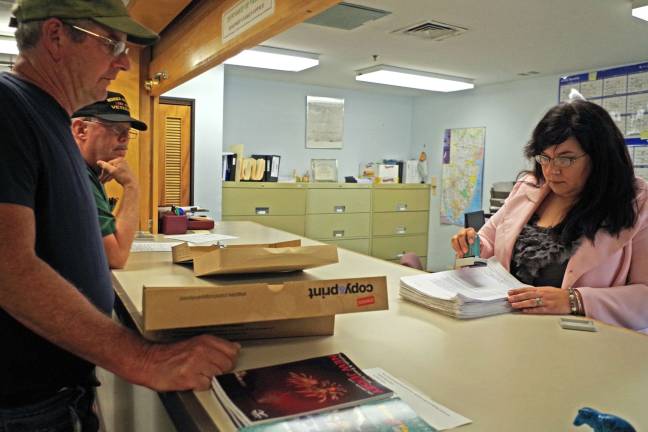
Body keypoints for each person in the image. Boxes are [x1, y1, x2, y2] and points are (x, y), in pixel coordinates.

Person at [0, 1, 239, 430]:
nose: (124, 61)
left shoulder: (48, 119)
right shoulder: (8, 105)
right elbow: (6, 266)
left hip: (58, 393)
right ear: (55, 37)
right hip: (21, 408)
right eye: (111, 43)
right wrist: (144, 359)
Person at [451, 99, 648, 332]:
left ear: (599, 157)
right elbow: (487, 242)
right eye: (544, 158)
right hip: (509, 331)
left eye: (566, 159)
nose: (552, 170)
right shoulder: (529, 187)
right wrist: (470, 246)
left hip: (586, 344)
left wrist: (574, 300)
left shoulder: (637, 201)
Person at [71, 91, 144, 269]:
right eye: (116, 128)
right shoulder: (78, 177)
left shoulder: (86, 171)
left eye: (128, 131)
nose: (125, 139)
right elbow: (116, 257)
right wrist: (131, 186)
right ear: (81, 130)